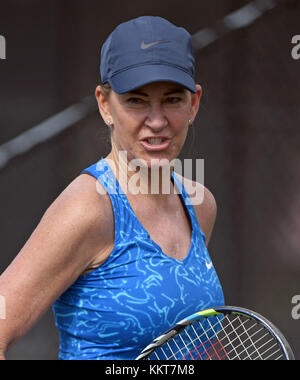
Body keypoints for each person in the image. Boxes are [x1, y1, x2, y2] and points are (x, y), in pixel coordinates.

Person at [0, 16, 225, 360]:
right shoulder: (88, 207)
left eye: (172, 100)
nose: (156, 121)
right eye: (135, 100)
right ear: (105, 105)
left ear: (193, 104)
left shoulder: (200, 205)